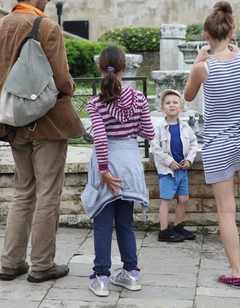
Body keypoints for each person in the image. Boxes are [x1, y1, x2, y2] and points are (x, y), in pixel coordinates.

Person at [0, 0, 85, 283]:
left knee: (23, 192)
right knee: (48, 193)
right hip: (48, 124)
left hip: (10, 122)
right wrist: (69, 90)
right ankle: (42, 266)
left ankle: (10, 263)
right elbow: (63, 81)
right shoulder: (46, 26)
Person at [184, 1, 240, 288]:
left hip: (217, 145)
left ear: (206, 34)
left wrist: (198, 60)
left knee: (226, 211)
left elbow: (187, 96)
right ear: (232, 31)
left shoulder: (202, 68)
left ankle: (237, 272)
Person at [81, 45, 155, 297]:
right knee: (125, 222)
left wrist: (103, 170)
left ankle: (102, 277)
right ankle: (131, 273)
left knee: (103, 223)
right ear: (125, 68)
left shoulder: (95, 103)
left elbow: (100, 139)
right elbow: (150, 133)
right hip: (130, 164)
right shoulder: (139, 99)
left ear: (99, 68)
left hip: (107, 165)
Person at [150, 89, 198, 242]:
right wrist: (169, 161)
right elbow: (155, 147)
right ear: (162, 108)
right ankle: (164, 230)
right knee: (166, 199)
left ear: (181, 108)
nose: (172, 105)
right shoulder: (159, 127)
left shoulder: (185, 127)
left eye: (175, 102)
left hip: (182, 170)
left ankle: (177, 226)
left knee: (183, 199)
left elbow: (193, 144)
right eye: (168, 103)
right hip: (167, 171)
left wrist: (189, 159)